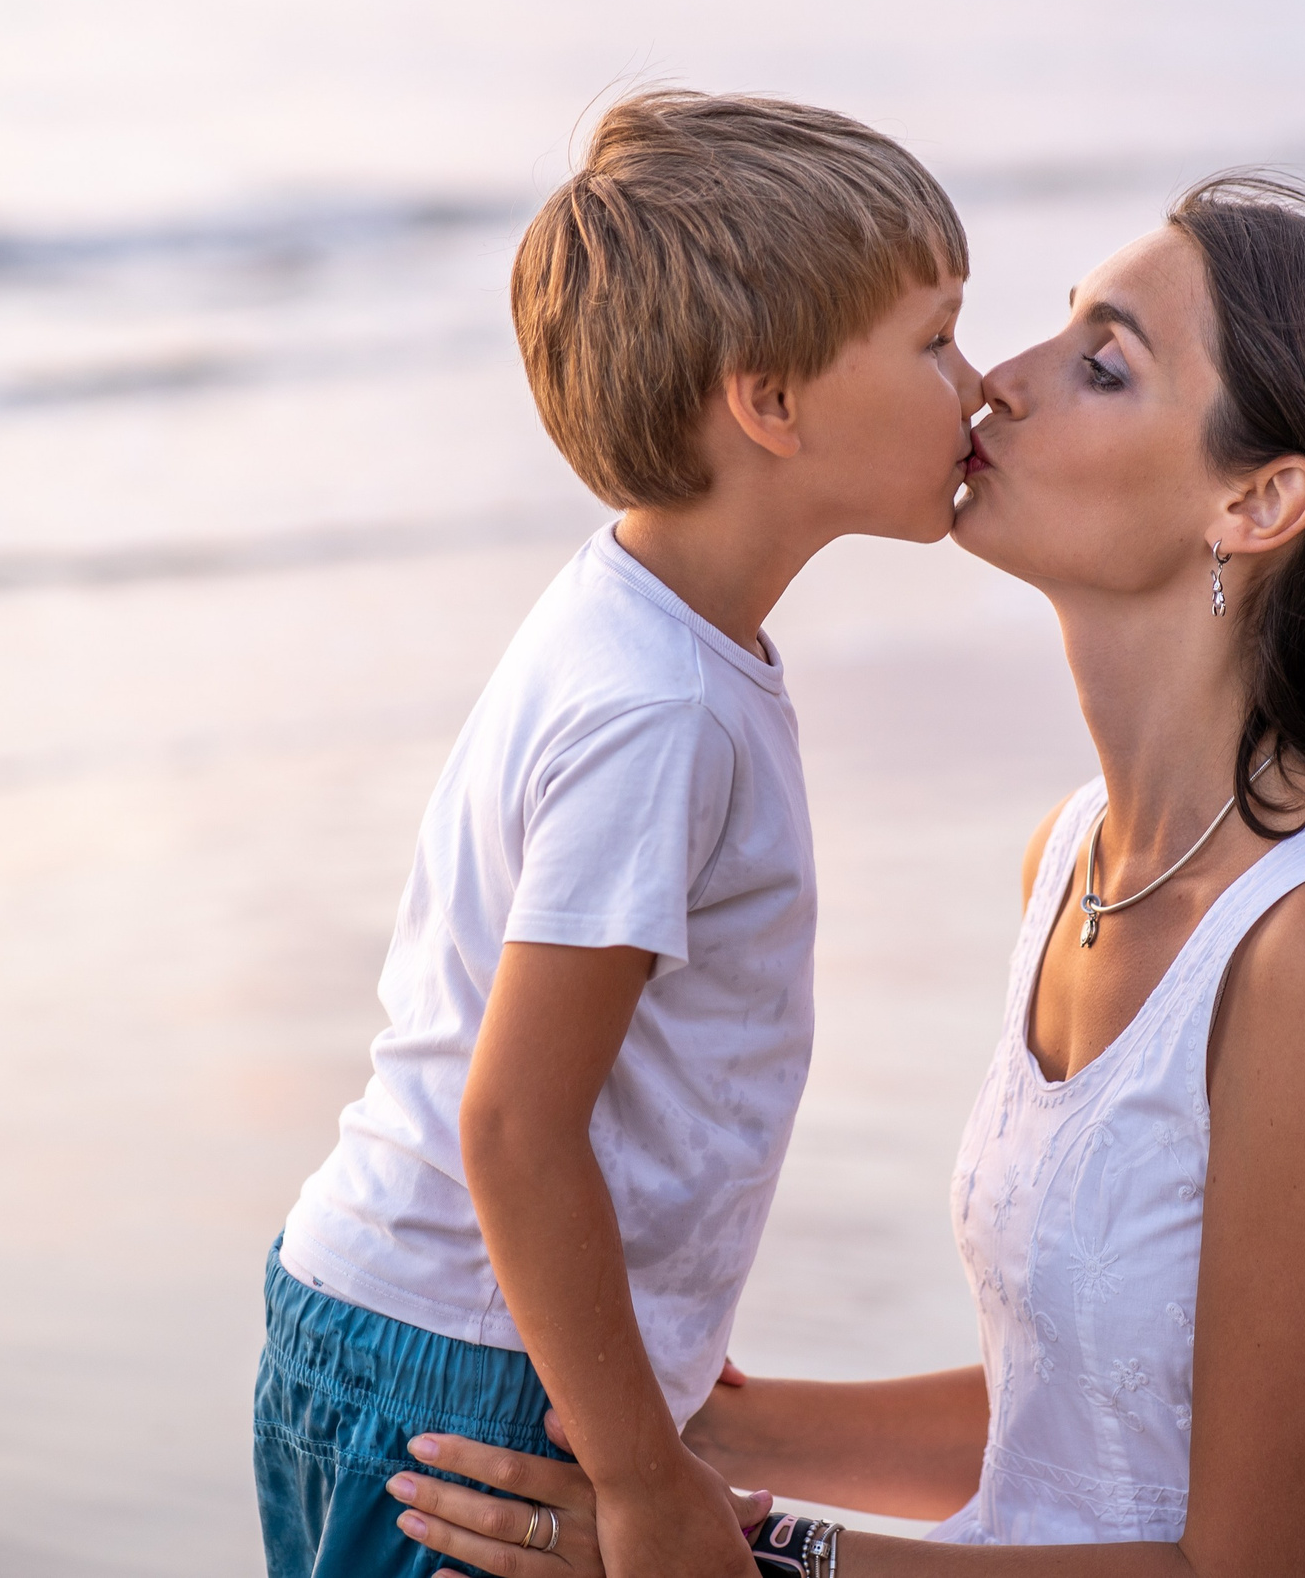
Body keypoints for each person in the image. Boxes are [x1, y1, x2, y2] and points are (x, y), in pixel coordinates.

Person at [382, 176, 1305, 1578]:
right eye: (1051, 331)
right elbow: (1096, 1422)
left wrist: (764, 1566)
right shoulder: (1074, 860)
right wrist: (691, 1447)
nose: (995, 382)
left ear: (1256, 500)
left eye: (1101, 365)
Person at [255, 90, 982, 1578]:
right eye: (932, 340)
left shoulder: (653, 631)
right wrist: (644, 1482)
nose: (976, 386)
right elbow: (516, 1123)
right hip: (467, 1370)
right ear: (770, 404)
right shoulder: (660, 710)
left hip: (444, 1325)